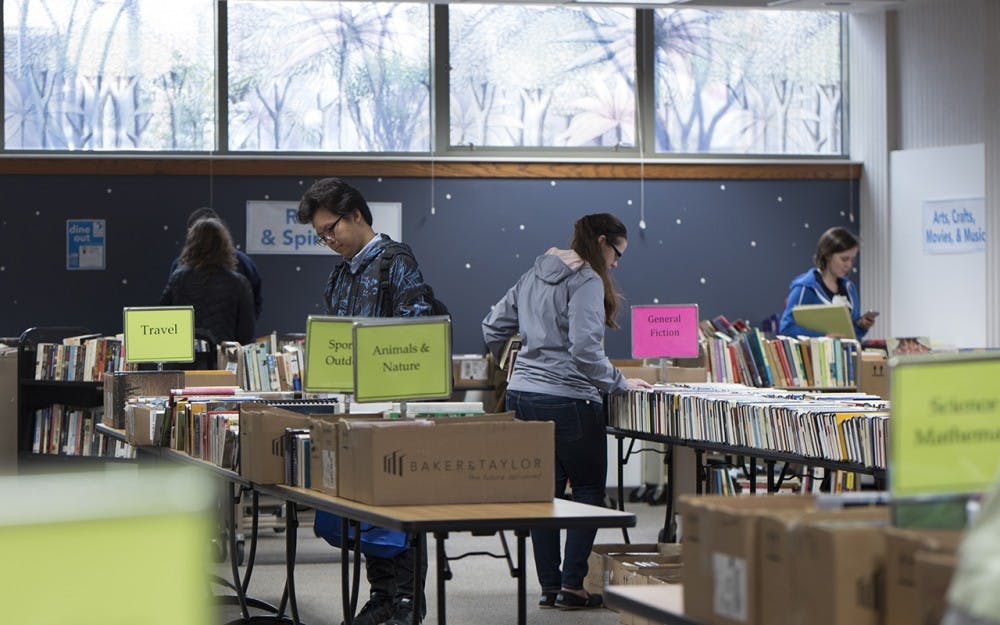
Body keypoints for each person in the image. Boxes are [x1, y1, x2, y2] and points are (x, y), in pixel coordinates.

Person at [481, 213, 651, 611]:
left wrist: (515, 369)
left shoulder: (533, 273)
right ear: (603, 241)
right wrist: (621, 383)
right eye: (617, 253)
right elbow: (585, 352)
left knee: (544, 494)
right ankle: (573, 587)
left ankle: (549, 586)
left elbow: (492, 326)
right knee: (589, 489)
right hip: (569, 400)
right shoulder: (587, 279)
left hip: (522, 396)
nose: (616, 263)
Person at [296, 177, 433, 625]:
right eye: (320, 235)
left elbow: (418, 331)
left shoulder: (397, 260)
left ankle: (407, 603)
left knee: (398, 510)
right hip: (351, 411)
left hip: (393, 410)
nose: (328, 239)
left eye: (331, 228)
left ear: (356, 215)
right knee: (365, 511)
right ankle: (382, 596)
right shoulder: (340, 272)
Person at [159, 217, 255, 345]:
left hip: (186, 359)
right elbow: (246, 334)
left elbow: (161, 321)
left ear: (192, 245)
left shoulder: (178, 278)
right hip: (224, 360)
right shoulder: (238, 283)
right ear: (224, 246)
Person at [778, 226, 877, 339]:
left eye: (852, 260)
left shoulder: (850, 288)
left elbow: (852, 336)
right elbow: (786, 329)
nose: (849, 265)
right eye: (844, 259)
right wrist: (823, 337)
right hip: (818, 355)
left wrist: (862, 325)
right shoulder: (804, 288)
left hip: (848, 355)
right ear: (827, 255)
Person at [170, 207, 263, 320]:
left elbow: (170, 309)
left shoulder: (180, 267)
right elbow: (254, 305)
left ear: (191, 234)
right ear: (222, 233)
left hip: (190, 333)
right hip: (230, 335)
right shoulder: (243, 264)